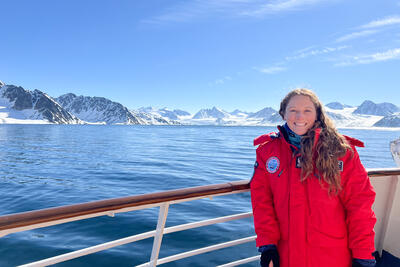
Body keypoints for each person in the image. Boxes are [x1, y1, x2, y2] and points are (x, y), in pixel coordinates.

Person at [250, 89, 377, 267]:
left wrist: (363, 256)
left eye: (307, 110)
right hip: (287, 256)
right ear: (283, 114)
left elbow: (359, 205)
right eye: (293, 110)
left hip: (333, 256)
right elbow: (262, 202)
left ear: (317, 113)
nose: (300, 116)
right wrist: (267, 246)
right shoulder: (267, 151)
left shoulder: (342, 151)